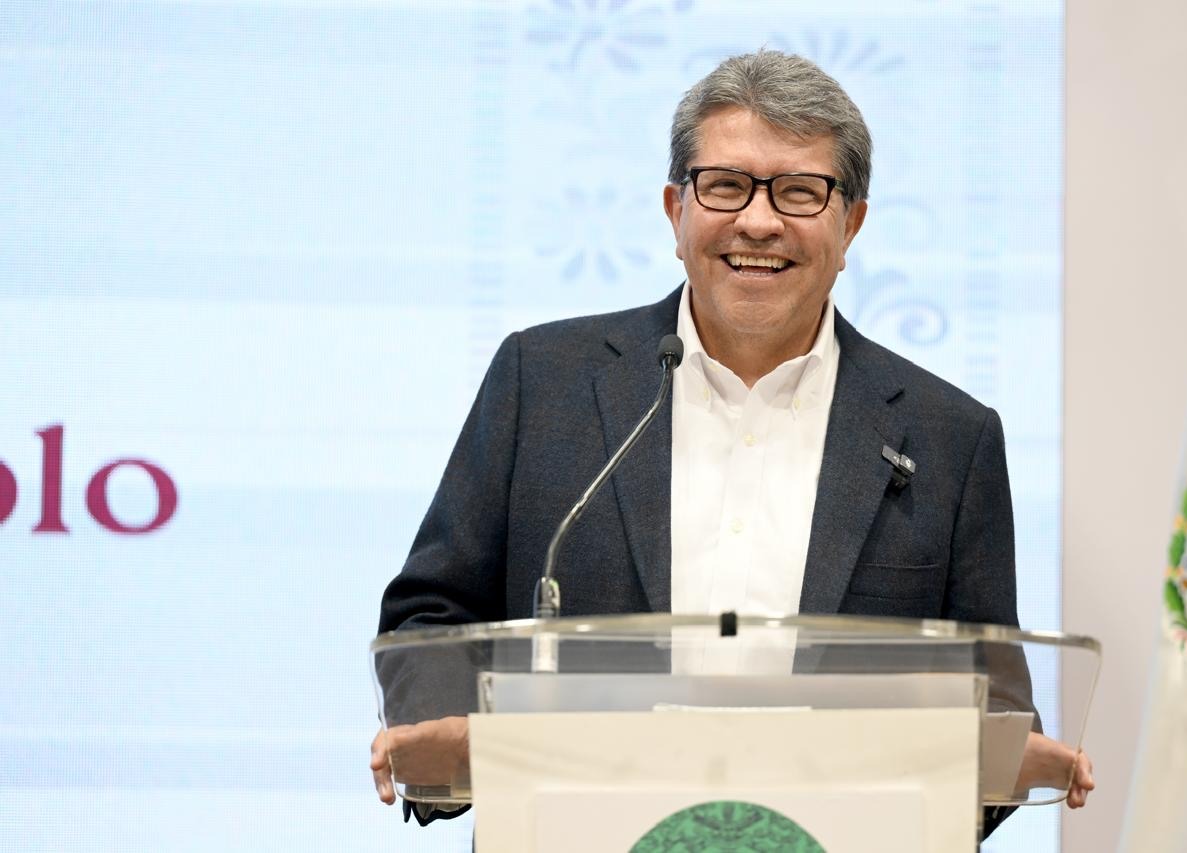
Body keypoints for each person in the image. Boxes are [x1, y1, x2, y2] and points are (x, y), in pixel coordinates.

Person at [370, 49, 1094, 837]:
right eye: (725, 186)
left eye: (799, 191)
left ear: (851, 224)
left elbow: (995, 700)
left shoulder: (951, 438)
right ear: (675, 211)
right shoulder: (541, 383)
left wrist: (998, 763)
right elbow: (431, 616)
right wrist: (451, 737)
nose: (758, 221)